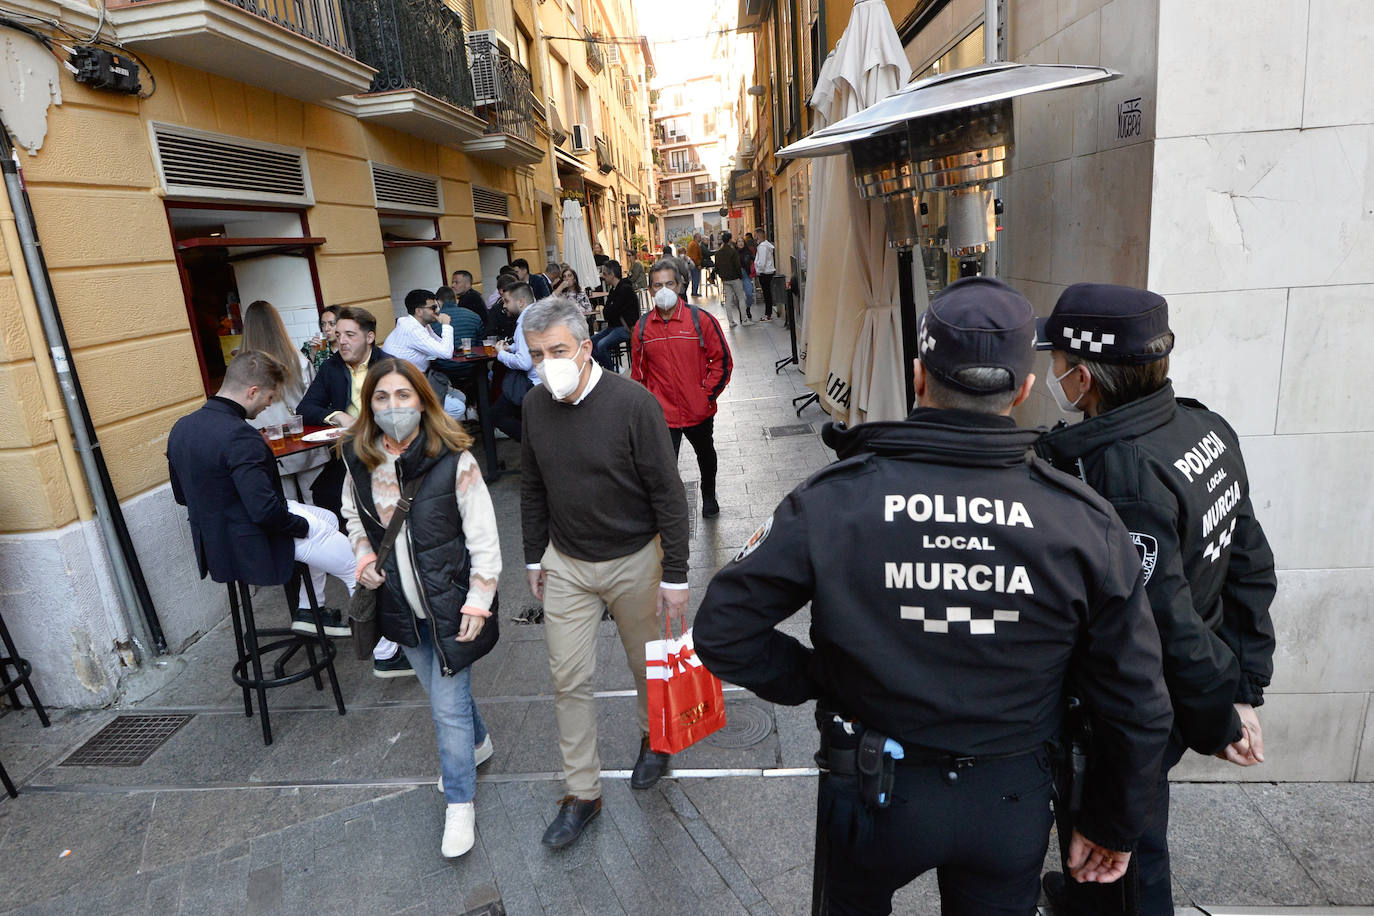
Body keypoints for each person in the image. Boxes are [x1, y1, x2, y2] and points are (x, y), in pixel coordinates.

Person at [693, 277, 1173, 916]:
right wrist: (1113, 823)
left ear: (918, 377)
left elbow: (723, 629)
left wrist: (819, 676)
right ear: (1023, 390)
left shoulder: (836, 501)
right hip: (1009, 800)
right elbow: (1138, 699)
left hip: (872, 785)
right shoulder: (1084, 521)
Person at [1032, 283, 1277, 916]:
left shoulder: (1122, 473)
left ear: (1084, 377)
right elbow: (1249, 564)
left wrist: (1222, 713)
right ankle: (1082, 893)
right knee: (1119, 835)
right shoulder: (1202, 426)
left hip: (1133, 704)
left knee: (1124, 850)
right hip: (1179, 689)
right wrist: (1243, 686)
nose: (1052, 374)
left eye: (1057, 361)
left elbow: (1160, 620)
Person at [519, 297, 691, 850]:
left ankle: (654, 738)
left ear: (586, 348)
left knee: (646, 665)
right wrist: (534, 556)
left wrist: (676, 574)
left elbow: (668, 492)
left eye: (558, 350)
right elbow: (531, 485)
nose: (548, 364)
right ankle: (582, 793)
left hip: (635, 559)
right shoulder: (533, 406)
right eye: (537, 354)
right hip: (567, 562)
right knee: (568, 678)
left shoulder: (633, 403)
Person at [340, 358, 501, 858]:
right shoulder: (358, 460)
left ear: (422, 401)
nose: (393, 407)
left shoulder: (454, 459)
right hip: (399, 608)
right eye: (381, 398)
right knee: (442, 692)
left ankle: (460, 802)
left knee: (445, 707)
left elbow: (484, 538)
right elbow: (352, 516)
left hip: (452, 604)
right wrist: (364, 556)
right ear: (369, 406)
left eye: (403, 395)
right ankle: (479, 745)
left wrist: (479, 600)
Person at [167, 350, 357, 638]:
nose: (269, 405)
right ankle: (386, 650)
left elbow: (182, 496)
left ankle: (310, 610)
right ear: (253, 391)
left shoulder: (182, 427)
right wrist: (301, 527)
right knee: (358, 566)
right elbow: (265, 511)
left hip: (218, 543)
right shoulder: (241, 436)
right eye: (269, 397)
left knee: (328, 518)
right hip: (252, 541)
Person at [631, 259, 731, 518]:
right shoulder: (642, 328)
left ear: (679, 286)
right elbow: (638, 375)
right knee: (663, 467)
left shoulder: (700, 320)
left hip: (698, 410)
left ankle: (709, 494)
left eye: (669, 284)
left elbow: (721, 361)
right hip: (662, 414)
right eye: (657, 285)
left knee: (705, 455)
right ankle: (670, 509)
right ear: (650, 290)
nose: (663, 290)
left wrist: (705, 395)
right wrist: (646, 408)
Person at [298, 307, 387, 517]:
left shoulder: (389, 365)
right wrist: (337, 415)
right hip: (349, 448)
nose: (342, 341)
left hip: (385, 445)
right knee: (324, 492)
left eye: (350, 335)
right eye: (338, 335)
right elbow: (305, 408)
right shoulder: (332, 367)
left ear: (369, 337)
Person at [241, 300, 328, 500]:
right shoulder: (298, 359)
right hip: (302, 439)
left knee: (287, 504)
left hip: (269, 443)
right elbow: (314, 398)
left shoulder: (243, 367)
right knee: (315, 501)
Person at [489, 283, 539, 441]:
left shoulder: (524, 324)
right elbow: (530, 344)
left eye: (506, 301)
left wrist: (502, 354)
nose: (504, 306)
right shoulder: (538, 315)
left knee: (497, 414)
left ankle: (533, 444)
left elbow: (524, 362)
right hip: (544, 381)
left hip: (534, 385)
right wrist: (511, 347)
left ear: (521, 302)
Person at [382, 289, 453, 372]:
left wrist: (432, 356)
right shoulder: (412, 329)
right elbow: (446, 353)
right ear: (419, 311)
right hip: (401, 377)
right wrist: (446, 325)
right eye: (433, 308)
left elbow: (440, 345)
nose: (437, 311)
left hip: (412, 374)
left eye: (437, 307)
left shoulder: (422, 325)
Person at [591, 260, 639, 370]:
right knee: (590, 343)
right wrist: (610, 310)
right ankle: (609, 368)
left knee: (601, 345)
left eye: (604, 274)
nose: (603, 277)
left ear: (612, 275)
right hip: (613, 327)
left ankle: (614, 371)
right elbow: (607, 313)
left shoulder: (625, 289)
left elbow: (611, 312)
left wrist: (610, 310)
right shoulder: (613, 289)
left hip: (625, 328)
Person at [713, 231, 748, 327]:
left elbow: (716, 267)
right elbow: (737, 265)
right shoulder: (733, 252)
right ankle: (744, 319)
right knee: (741, 298)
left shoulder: (718, 253)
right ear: (729, 240)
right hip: (735, 278)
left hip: (725, 279)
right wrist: (740, 276)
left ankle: (731, 321)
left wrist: (721, 275)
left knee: (728, 300)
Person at [302, 305, 340, 371]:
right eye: (323, 324)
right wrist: (312, 354)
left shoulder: (349, 346)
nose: (326, 329)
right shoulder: (311, 347)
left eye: (331, 324)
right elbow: (300, 372)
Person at [754, 228, 777, 321]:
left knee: (767, 294)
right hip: (768, 272)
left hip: (764, 273)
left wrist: (758, 269)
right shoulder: (766, 246)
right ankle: (768, 313)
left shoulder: (762, 247)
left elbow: (762, 262)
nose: (754, 237)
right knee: (768, 294)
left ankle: (768, 314)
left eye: (755, 235)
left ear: (759, 235)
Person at [686, 233, 704, 298]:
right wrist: (698, 264)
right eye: (700, 237)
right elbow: (695, 256)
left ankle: (694, 291)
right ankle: (694, 292)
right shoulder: (695, 245)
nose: (701, 238)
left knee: (694, 278)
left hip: (691, 263)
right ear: (696, 238)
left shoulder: (692, 243)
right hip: (694, 264)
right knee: (696, 278)